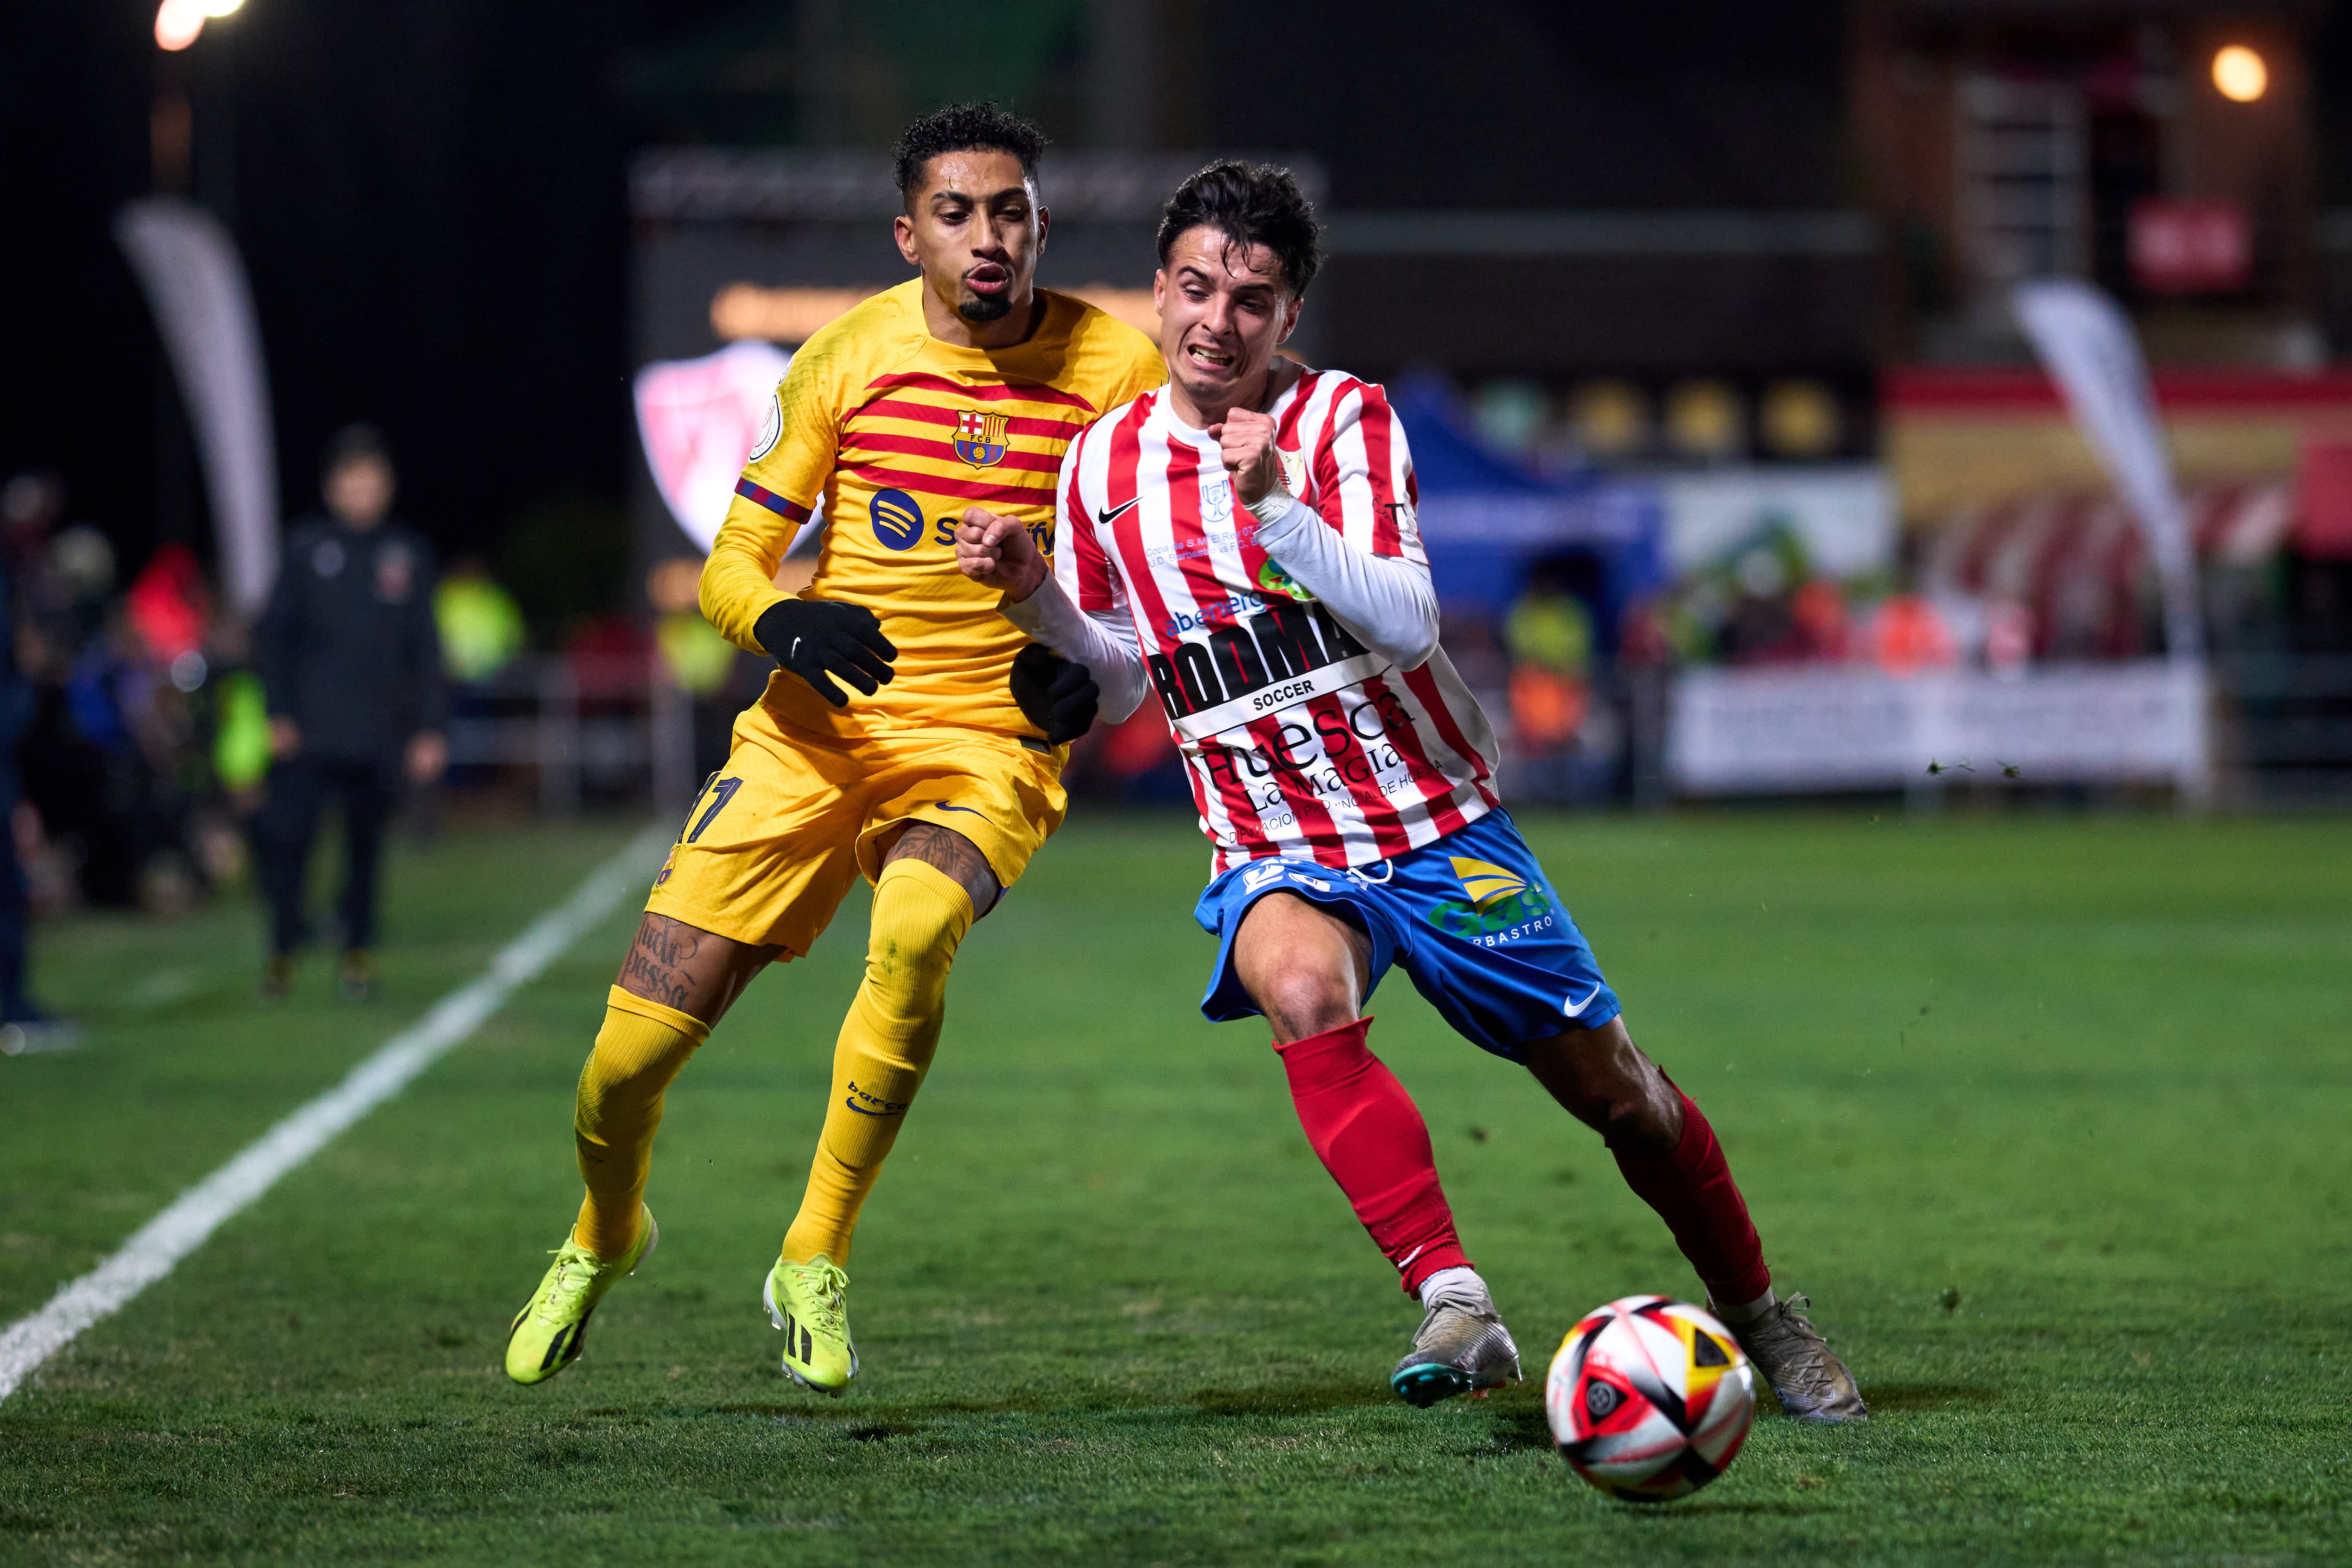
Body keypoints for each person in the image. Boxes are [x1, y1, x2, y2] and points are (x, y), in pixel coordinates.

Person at [956, 161, 1865, 1421]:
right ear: (1160, 290)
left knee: (1624, 1096)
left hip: (1432, 821)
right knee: (1295, 984)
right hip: (1272, 836)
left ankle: (1762, 1310)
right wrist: (1035, 592)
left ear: (1290, 315)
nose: (1220, 319)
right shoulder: (1102, 464)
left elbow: (1404, 611)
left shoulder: (1340, 422)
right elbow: (1120, 688)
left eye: (1254, 299)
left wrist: (1272, 502)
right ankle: (1457, 1297)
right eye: (1197, 288)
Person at [501, 103, 1164, 1393]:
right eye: (959, 214)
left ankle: (813, 1251)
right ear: (909, 232)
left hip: (984, 742)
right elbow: (728, 567)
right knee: (620, 1066)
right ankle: (606, 1228)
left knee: (914, 932)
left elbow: (1149, 594)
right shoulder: (842, 360)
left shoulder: (1115, 373)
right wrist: (783, 617)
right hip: (812, 741)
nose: (989, 237)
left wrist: (1093, 671)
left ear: (1039, 222)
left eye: (1011, 209)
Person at [252, 424, 448, 1000]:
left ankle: (357, 957)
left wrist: (429, 729)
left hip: (378, 734)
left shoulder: (407, 555)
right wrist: (278, 712)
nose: (363, 492)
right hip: (310, 732)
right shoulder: (307, 549)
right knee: (290, 844)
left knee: (365, 853)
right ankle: (282, 955)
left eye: (372, 481)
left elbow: (426, 649)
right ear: (332, 486)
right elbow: (276, 639)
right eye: (352, 481)